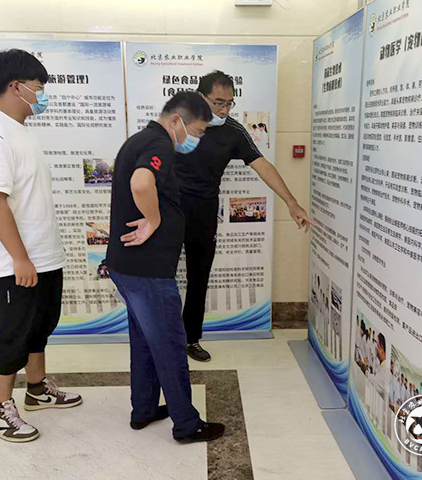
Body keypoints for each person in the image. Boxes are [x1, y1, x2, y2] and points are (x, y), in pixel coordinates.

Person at [0, 49, 82, 443]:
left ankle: (37, 389)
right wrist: (19, 258)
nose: (42, 93)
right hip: (13, 262)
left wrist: (36, 256)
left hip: (42, 255)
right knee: (14, 334)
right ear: (15, 86)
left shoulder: (20, 130)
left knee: (40, 326)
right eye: (38, 86)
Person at [105, 91, 226, 443]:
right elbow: (141, 183)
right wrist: (155, 220)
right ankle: (187, 425)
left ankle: (143, 409)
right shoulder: (158, 144)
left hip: (128, 266)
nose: (197, 139)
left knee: (144, 340)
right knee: (171, 344)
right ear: (177, 120)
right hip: (148, 270)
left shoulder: (139, 140)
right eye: (197, 131)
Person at [176, 71, 313, 362]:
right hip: (170, 208)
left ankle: (190, 339)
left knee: (199, 276)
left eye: (229, 103)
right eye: (218, 102)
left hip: (204, 211)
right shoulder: (177, 122)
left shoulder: (233, 131)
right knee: (162, 277)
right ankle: (162, 338)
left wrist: (291, 202)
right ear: (200, 97)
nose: (224, 110)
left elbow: (262, 164)